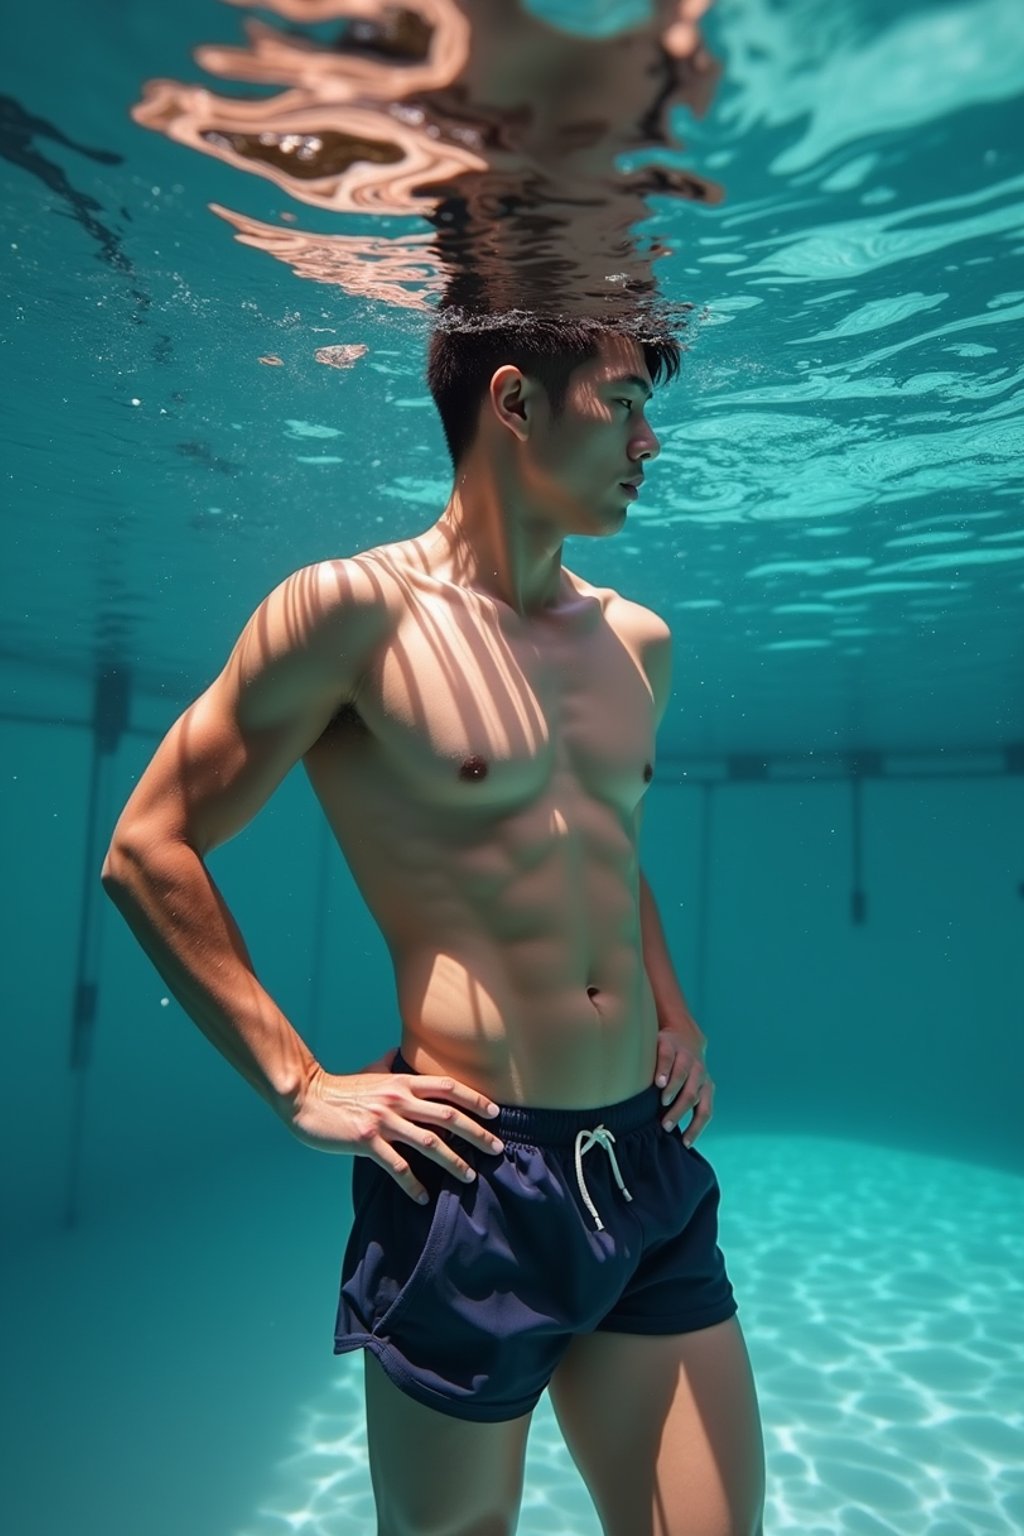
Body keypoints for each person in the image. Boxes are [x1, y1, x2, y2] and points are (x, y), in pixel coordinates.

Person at [101, 313, 765, 1536]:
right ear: (514, 404)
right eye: (620, 404)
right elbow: (149, 847)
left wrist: (674, 1012)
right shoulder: (351, 612)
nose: (649, 441)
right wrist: (299, 1086)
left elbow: (607, 853)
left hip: (646, 1162)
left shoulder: (636, 643)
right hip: (475, 1175)